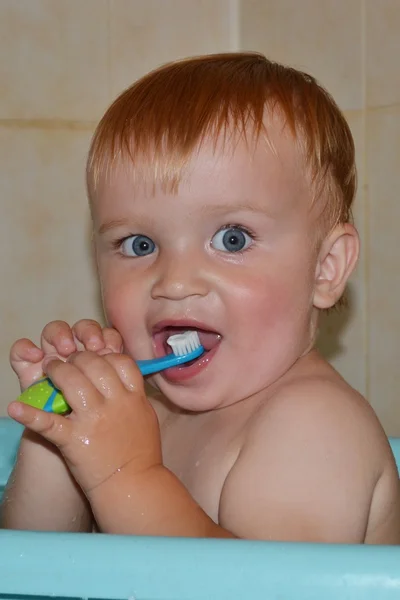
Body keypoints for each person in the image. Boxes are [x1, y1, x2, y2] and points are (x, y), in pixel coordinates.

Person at [1, 52, 400, 542]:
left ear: (325, 268)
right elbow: (32, 564)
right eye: (139, 245)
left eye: (232, 239)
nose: (174, 281)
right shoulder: (152, 416)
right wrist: (58, 430)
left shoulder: (315, 427)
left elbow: (263, 591)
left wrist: (126, 476)